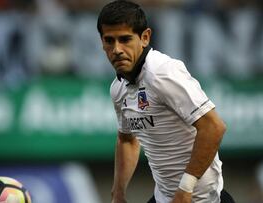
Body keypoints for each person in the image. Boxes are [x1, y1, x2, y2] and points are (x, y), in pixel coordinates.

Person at [96, 1, 235, 203]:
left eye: (125, 39)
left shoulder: (162, 73)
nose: (117, 49)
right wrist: (118, 193)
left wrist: (185, 189)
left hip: (203, 199)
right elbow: (127, 139)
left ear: (145, 38)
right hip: (166, 197)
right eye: (109, 41)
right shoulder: (118, 89)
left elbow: (214, 127)